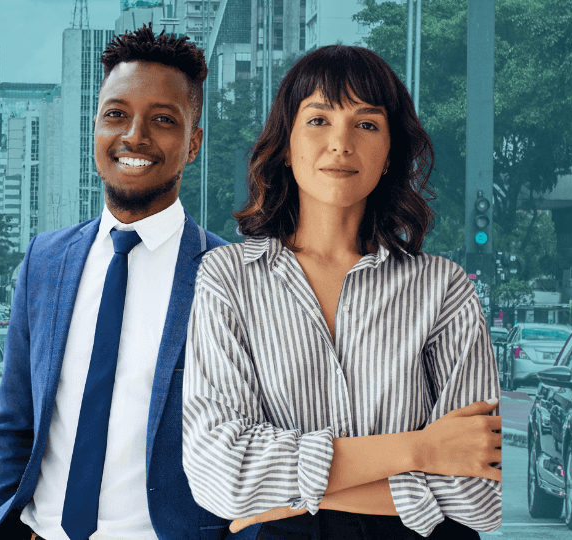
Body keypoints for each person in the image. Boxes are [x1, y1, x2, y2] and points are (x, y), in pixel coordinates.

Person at [182, 45, 501, 539]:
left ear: (391, 151)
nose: (341, 143)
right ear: (286, 145)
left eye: (367, 124)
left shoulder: (444, 289)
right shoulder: (227, 278)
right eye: (318, 120)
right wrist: (421, 449)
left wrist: (283, 500)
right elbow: (221, 475)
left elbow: (480, 496)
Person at [0, 25, 244, 540]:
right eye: (116, 114)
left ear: (193, 144)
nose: (134, 136)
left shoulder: (231, 275)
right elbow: (14, 423)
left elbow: (257, 440)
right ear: (96, 127)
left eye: (163, 120)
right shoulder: (44, 262)